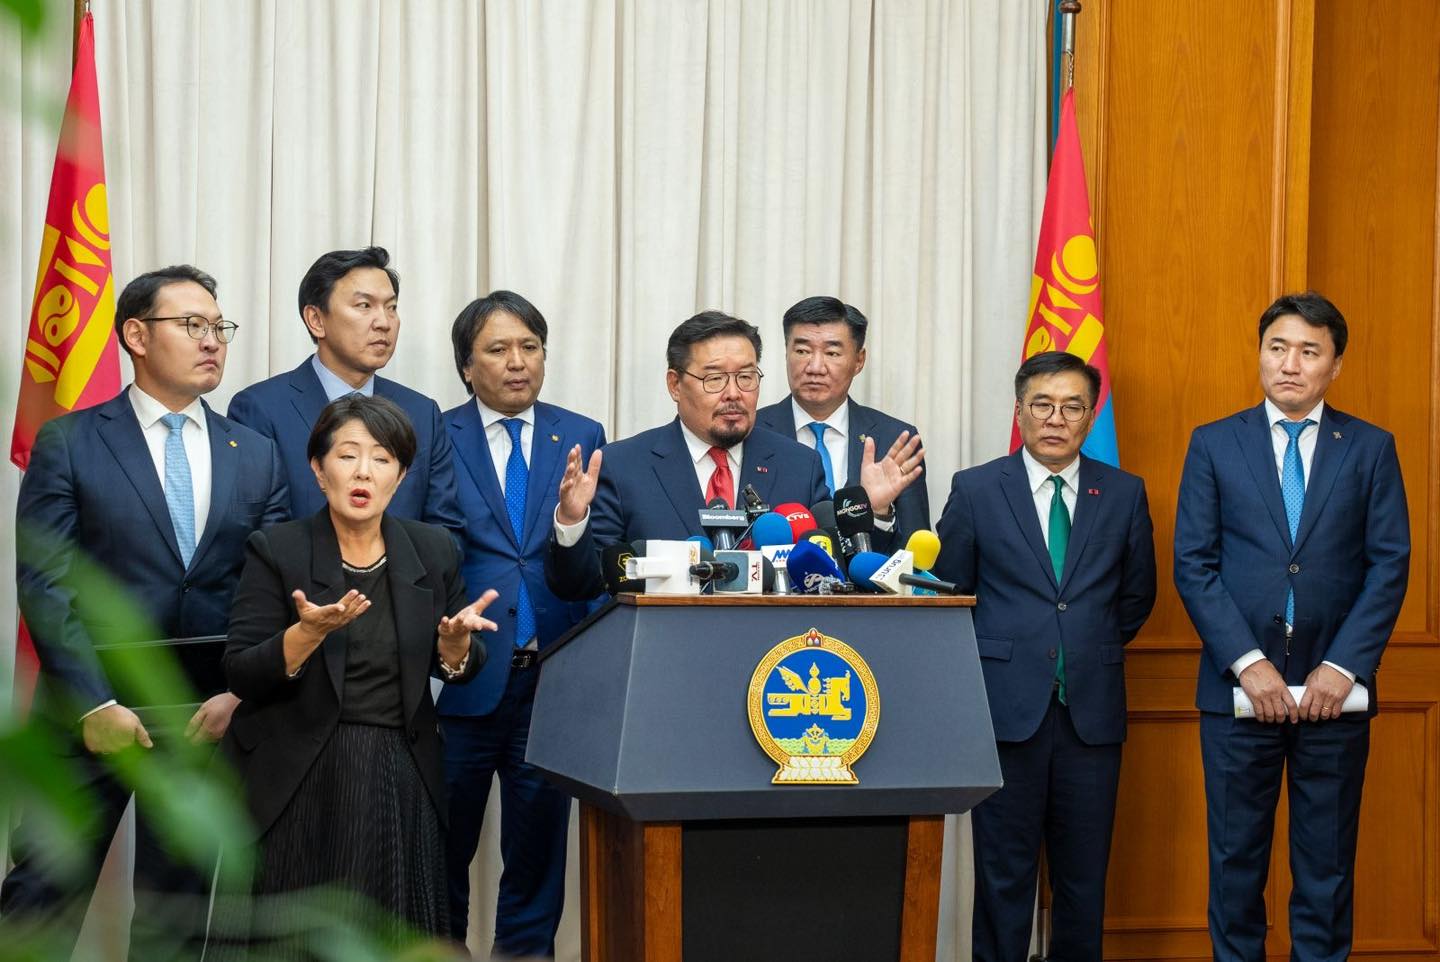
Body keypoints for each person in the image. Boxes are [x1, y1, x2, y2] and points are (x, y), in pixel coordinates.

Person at [1, 265, 288, 960]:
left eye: (219, 327)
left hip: (201, 719)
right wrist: (93, 703)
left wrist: (237, 694)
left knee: (175, 922)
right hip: (86, 713)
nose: (212, 340)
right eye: (192, 325)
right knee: (38, 906)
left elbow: (270, 590)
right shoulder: (70, 441)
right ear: (135, 334)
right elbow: (46, 581)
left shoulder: (256, 454)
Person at [1174, 292, 1409, 962]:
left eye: (1309, 351)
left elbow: (1389, 564)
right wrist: (1248, 661)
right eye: (1277, 347)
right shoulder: (1215, 443)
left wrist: (1343, 666)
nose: (1290, 364)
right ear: (1260, 354)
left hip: (1335, 697)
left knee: (1326, 871)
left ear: (1335, 365)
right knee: (1234, 867)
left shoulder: (1370, 447)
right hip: (1238, 694)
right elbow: (1193, 563)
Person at [217, 394, 495, 955]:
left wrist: (455, 648)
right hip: (300, 776)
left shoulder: (433, 549)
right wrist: (305, 635)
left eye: (382, 458)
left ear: (401, 476)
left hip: (399, 775)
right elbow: (242, 670)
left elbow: (459, 660)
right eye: (347, 455)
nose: (364, 471)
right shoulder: (278, 548)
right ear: (319, 470)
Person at [932, 350, 1156, 962]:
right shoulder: (977, 489)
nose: (1056, 419)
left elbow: (1136, 597)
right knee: (1003, 878)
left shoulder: (1123, 493)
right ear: (1019, 412)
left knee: (1083, 880)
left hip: (1091, 716)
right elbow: (952, 593)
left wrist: (1081, 648)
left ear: (1091, 417)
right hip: (1007, 714)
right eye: (1043, 405)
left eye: (1072, 407)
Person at [439, 291, 605, 957]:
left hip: (550, 678)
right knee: (443, 843)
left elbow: (588, 567)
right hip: (462, 678)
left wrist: (570, 523)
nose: (517, 362)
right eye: (498, 349)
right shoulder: (434, 433)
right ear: (467, 366)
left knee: (538, 850)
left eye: (529, 347)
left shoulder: (582, 433)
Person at [546, 310, 924, 600]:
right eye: (714, 378)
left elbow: (836, 576)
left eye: (746, 376)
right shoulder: (625, 465)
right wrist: (571, 521)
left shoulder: (799, 465)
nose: (733, 393)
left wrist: (872, 513)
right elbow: (581, 587)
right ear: (675, 384)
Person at [226, 246, 463, 535]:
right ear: (316, 320)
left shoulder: (422, 413)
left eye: (391, 307)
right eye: (364, 305)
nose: (384, 322)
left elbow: (445, 532)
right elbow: (258, 534)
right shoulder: (260, 409)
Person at [757, 295, 928, 544]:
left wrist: (878, 514)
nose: (815, 367)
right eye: (802, 351)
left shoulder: (895, 439)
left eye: (832, 353)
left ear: (859, 360)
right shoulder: (753, 432)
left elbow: (915, 552)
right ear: (786, 354)